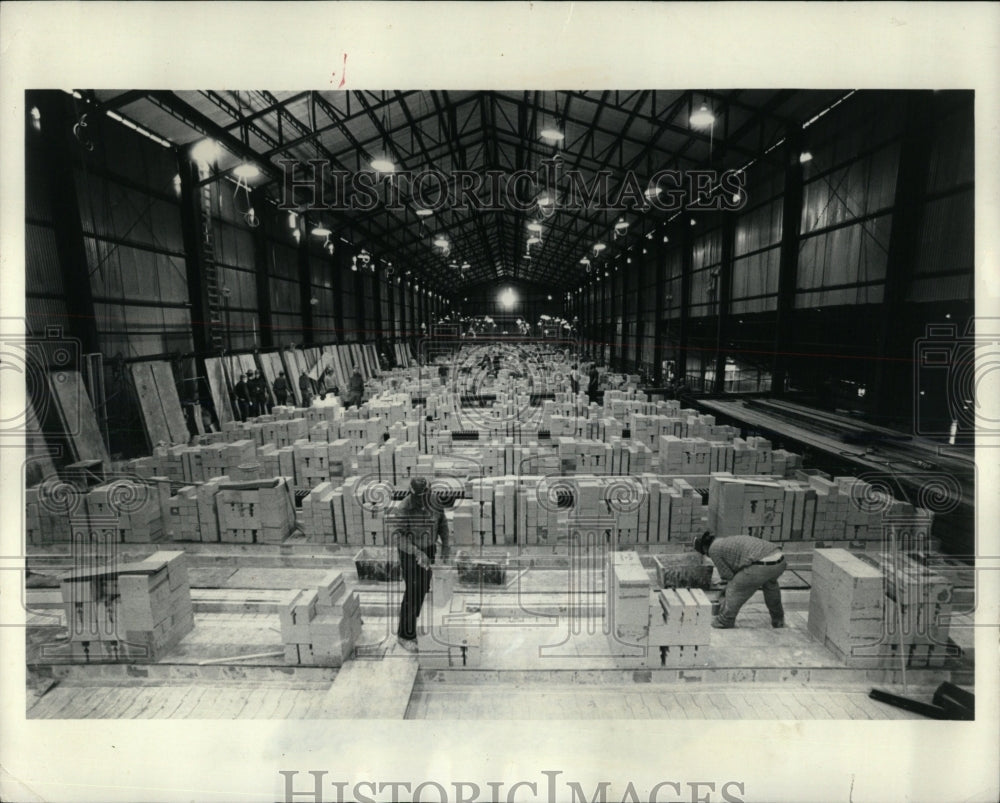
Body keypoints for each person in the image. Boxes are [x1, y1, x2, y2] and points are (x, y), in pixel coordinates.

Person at [394, 477, 450, 652]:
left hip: (429, 549)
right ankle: (405, 634)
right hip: (411, 554)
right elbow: (399, 538)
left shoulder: (435, 500)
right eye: (417, 497)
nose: (420, 500)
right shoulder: (403, 509)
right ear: (411, 494)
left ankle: (415, 621)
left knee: (423, 588)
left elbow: (443, 524)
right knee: (413, 592)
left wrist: (446, 546)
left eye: (424, 496)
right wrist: (418, 553)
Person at [693, 531, 786, 629]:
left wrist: (726, 590)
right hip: (779, 559)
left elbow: (727, 575)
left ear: (704, 548)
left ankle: (724, 621)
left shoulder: (713, 549)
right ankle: (778, 620)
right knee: (771, 588)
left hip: (760, 564)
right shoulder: (722, 541)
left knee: (734, 589)